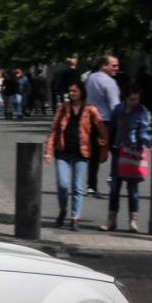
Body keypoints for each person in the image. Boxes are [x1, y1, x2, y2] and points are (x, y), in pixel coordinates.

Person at [45, 81, 108, 231]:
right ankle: (62, 210)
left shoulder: (90, 110)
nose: (71, 94)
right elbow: (53, 130)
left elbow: (102, 129)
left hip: (81, 152)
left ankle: (75, 218)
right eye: (70, 91)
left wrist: (103, 143)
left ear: (81, 92)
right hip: (62, 152)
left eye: (74, 91)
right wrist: (48, 150)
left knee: (77, 187)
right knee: (63, 184)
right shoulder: (63, 108)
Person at [101, 87, 151, 233]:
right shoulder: (118, 109)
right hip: (118, 149)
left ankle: (133, 221)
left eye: (136, 98)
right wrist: (106, 146)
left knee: (133, 188)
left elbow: (143, 130)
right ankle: (111, 220)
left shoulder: (142, 110)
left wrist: (147, 141)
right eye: (131, 99)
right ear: (125, 97)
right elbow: (111, 129)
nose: (134, 102)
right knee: (115, 186)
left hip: (134, 151)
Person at [85, 55, 121, 198]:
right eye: (114, 65)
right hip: (107, 121)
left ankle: (91, 186)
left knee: (93, 154)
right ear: (104, 65)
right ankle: (113, 178)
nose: (117, 68)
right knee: (116, 151)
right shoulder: (110, 83)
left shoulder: (90, 79)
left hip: (91, 119)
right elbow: (115, 107)